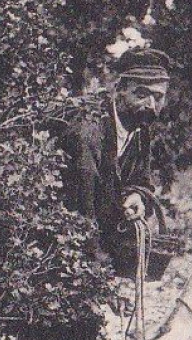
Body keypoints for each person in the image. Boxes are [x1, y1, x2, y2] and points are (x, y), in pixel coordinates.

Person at [64, 48, 172, 278]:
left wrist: (137, 196)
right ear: (120, 90)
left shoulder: (140, 128)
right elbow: (83, 203)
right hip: (60, 236)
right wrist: (97, 265)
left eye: (159, 97)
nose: (151, 105)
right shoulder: (89, 127)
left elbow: (141, 181)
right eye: (142, 94)